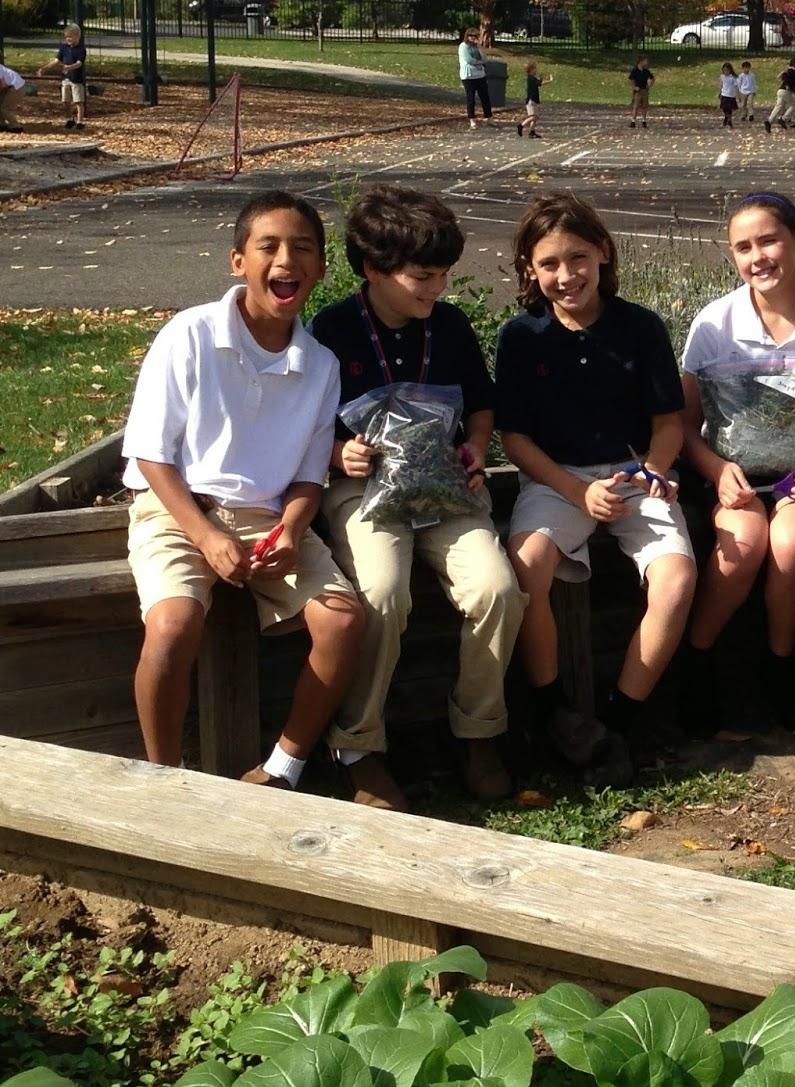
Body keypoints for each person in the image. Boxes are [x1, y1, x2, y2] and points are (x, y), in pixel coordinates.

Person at [121, 190, 364, 788]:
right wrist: (204, 537)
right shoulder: (190, 334)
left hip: (267, 518)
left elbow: (309, 476)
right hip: (179, 508)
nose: (287, 261)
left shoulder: (321, 364)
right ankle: (165, 777)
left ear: (321, 271)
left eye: (303, 249)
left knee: (344, 621)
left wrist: (293, 528)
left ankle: (283, 767)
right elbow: (150, 454)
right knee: (175, 625)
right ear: (239, 262)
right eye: (269, 247)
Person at [311, 186, 525, 812]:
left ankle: (477, 732)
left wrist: (476, 450)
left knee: (496, 589)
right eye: (422, 277)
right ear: (374, 270)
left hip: (446, 489)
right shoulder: (332, 330)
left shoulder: (451, 325)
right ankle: (358, 745)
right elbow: (308, 423)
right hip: (364, 490)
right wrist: (337, 456)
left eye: (444, 276)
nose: (437, 288)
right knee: (380, 592)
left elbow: (480, 405)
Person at [496, 192, 696, 788]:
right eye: (550, 264)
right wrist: (576, 492)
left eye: (578, 258)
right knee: (526, 563)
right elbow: (515, 439)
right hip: (556, 477)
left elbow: (668, 423)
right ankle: (552, 709)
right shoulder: (521, 337)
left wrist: (654, 471)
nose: (566, 276)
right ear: (531, 269)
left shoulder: (639, 328)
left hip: (636, 472)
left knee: (677, 577)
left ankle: (621, 719)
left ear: (603, 253)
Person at [676, 192, 795, 737]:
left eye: (769, 240)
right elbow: (681, 423)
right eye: (743, 247)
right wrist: (717, 472)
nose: (757, 257)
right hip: (731, 477)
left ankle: (781, 670)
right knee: (742, 546)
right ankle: (695, 662)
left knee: (790, 545)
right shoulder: (715, 323)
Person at [37, 22, 86, 131]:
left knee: (78, 101)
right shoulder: (63, 48)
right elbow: (56, 60)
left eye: (70, 37)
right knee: (65, 100)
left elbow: (79, 63)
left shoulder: (81, 49)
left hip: (76, 79)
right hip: (65, 79)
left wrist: (69, 67)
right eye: (67, 37)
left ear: (77, 36)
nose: (68, 39)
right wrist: (45, 68)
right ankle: (69, 119)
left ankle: (80, 121)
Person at [458, 28, 492, 129]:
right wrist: (480, 62)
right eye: (471, 36)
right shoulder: (463, 46)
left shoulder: (477, 47)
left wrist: (480, 47)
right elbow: (469, 60)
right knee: (471, 98)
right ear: (467, 36)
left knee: (485, 97)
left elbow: (485, 58)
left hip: (480, 75)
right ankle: (472, 120)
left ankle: (489, 117)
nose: (473, 38)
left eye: (475, 36)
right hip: (468, 76)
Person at [765, 58, 795, 132]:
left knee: (778, 106)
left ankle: (769, 121)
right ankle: (783, 118)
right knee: (793, 105)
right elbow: (786, 78)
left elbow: (781, 77)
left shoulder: (789, 71)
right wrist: (788, 85)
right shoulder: (792, 71)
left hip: (780, 90)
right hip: (786, 91)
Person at [517, 59, 550, 138]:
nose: (536, 70)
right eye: (535, 68)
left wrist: (542, 79)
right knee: (533, 117)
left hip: (534, 100)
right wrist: (548, 80)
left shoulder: (532, 78)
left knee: (535, 117)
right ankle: (521, 125)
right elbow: (539, 83)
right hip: (531, 101)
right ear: (531, 69)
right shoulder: (531, 78)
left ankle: (532, 132)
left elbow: (538, 83)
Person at [628, 54, 654, 129]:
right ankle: (633, 121)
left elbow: (652, 78)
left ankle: (644, 120)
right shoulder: (635, 70)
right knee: (636, 106)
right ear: (641, 61)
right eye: (645, 61)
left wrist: (649, 85)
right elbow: (631, 79)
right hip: (638, 90)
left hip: (644, 89)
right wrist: (634, 87)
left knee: (644, 105)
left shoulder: (646, 71)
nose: (646, 62)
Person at [0, 59, 25, 132]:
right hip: (8, 87)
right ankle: (1, 124)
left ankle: (16, 126)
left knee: (5, 108)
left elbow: (2, 84)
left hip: (16, 87)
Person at [718, 62, 739, 128]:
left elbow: (736, 86)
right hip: (724, 94)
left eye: (727, 70)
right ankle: (727, 118)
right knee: (724, 108)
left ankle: (728, 120)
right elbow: (721, 85)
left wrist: (737, 94)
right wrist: (720, 92)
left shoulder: (733, 77)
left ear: (730, 70)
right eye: (724, 70)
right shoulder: (722, 77)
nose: (726, 72)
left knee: (729, 109)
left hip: (731, 95)